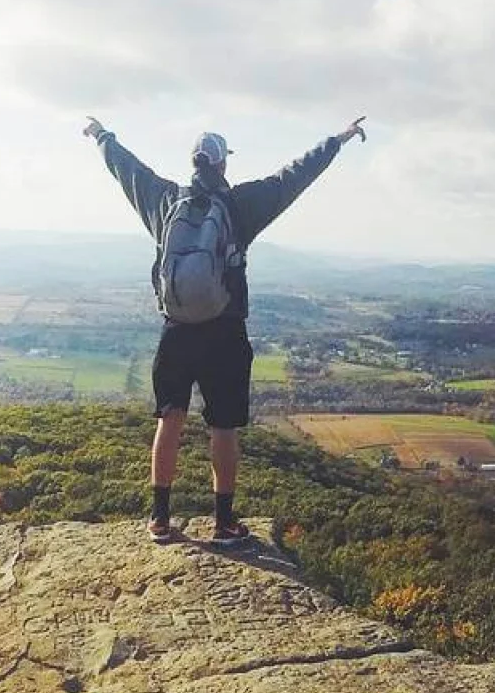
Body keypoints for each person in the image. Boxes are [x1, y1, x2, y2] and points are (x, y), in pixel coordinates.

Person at [84, 115, 366, 544]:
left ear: (194, 162)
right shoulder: (240, 205)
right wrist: (336, 140)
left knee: (170, 419)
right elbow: (293, 176)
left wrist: (101, 136)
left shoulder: (163, 200)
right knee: (223, 428)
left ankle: (159, 519)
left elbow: (126, 168)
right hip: (225, 332)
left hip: (175, 330)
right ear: (222, 165)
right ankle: (224, 523)